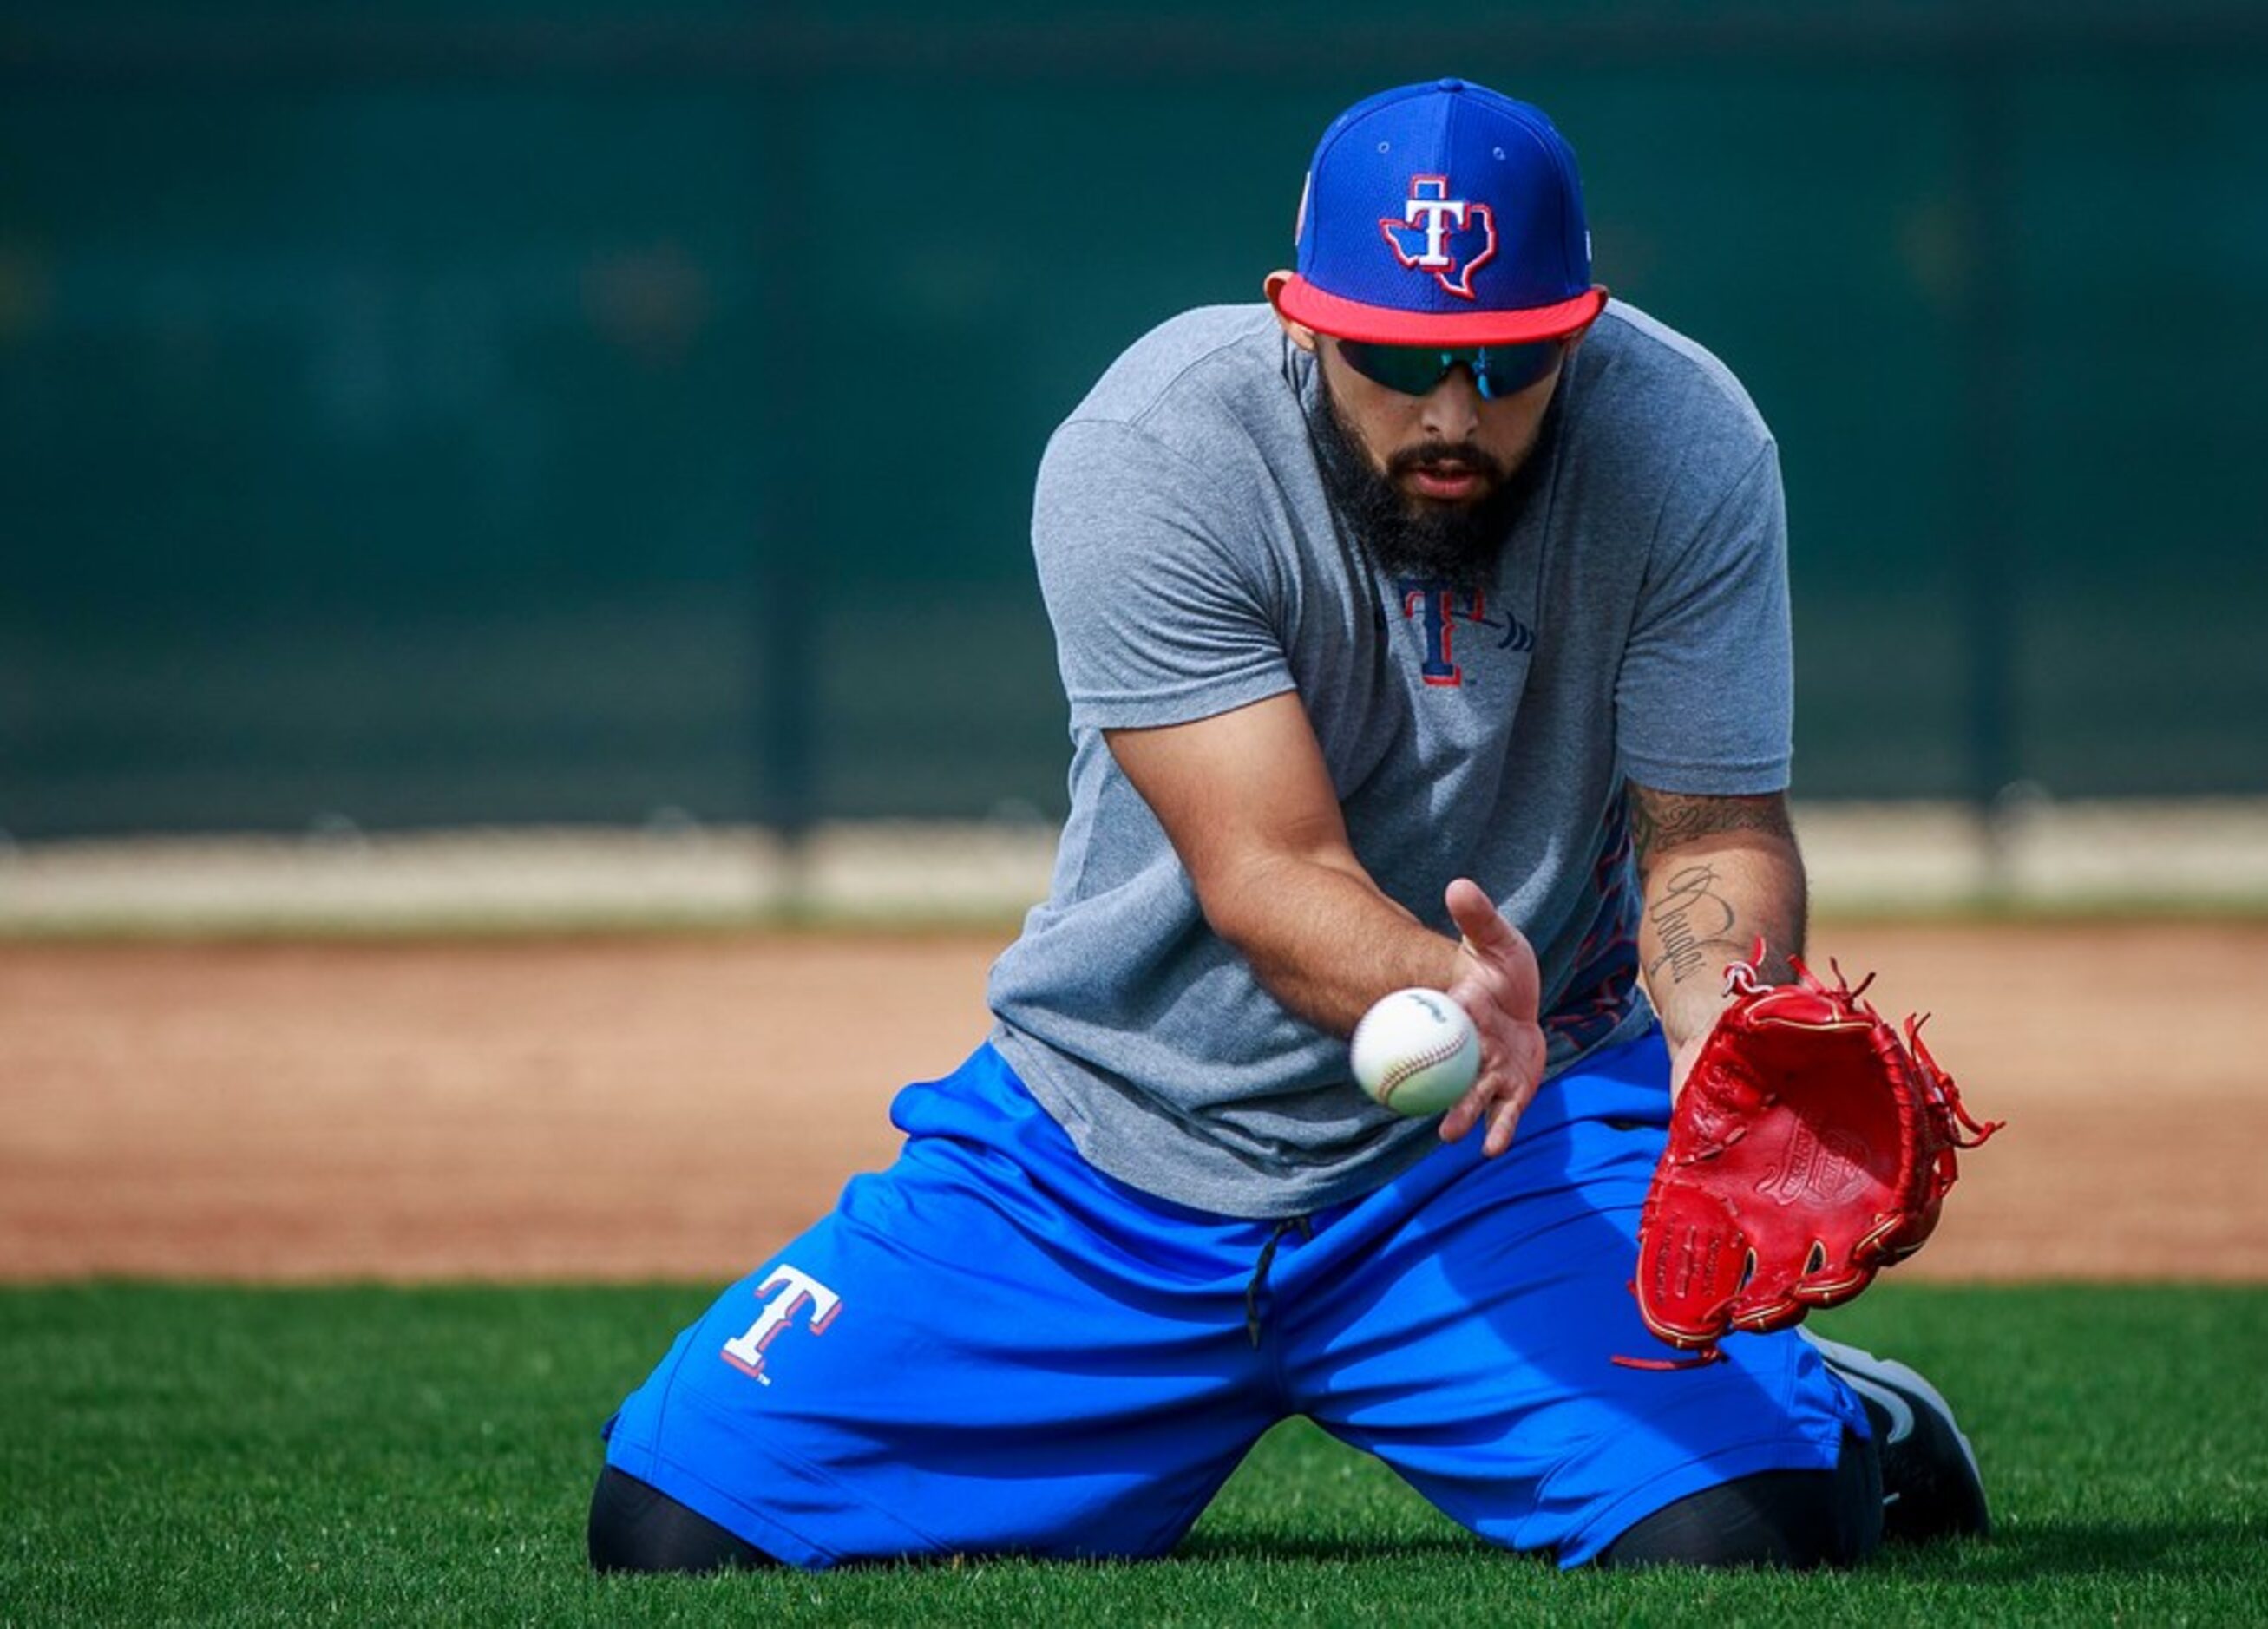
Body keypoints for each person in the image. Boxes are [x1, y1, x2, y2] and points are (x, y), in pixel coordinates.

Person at [588, 76, 1989, 1575]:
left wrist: (1725, 1038)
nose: (1452, 407)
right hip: (1106, 1151)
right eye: (1399, 354)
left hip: (1507, 1146)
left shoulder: (1688, 443)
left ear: (1581, 324)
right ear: (1299, 316)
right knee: (675, 1524)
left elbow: (1710, 829)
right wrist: (1452, 989)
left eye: (1507, 361)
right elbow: (1266, 868)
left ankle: (1846, 1418)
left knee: (1751, 1530)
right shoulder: (1158, 450)